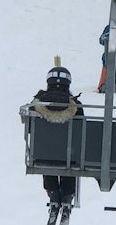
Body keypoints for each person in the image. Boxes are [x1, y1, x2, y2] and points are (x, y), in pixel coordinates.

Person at [30, 65, 83, 214]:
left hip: (44, 152)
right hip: (69, 153)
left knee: (47, 158)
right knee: (69, 164)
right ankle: (67, 195)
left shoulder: (38, 103)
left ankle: (53, 192)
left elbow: (30, 127)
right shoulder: (75, 106)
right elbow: (81, 129)